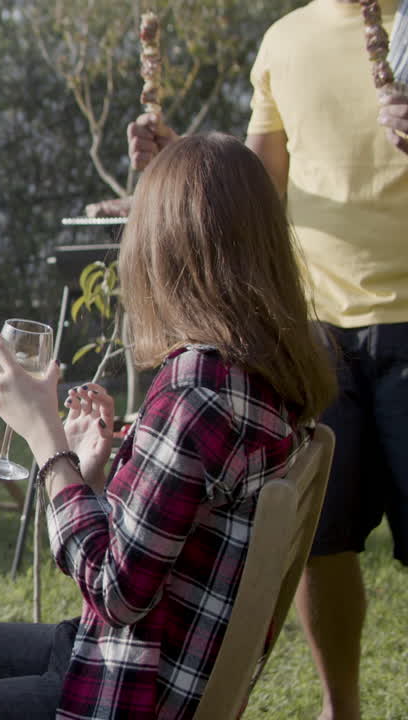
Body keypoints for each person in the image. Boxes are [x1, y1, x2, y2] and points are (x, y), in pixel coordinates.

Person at [0, 133, 337, 720]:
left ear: (165, 248)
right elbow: (157, 546)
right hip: (132, 655)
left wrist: (48, 445)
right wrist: (89, 476)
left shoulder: (197, 391)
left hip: (126, 690)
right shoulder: (260, 368)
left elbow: (116, 591)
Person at [129, 4, 408, 717]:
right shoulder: (284, 39)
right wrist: (178, 165)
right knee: (324, 540)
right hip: (319, 331)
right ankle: (340, 705)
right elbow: (257, 186)